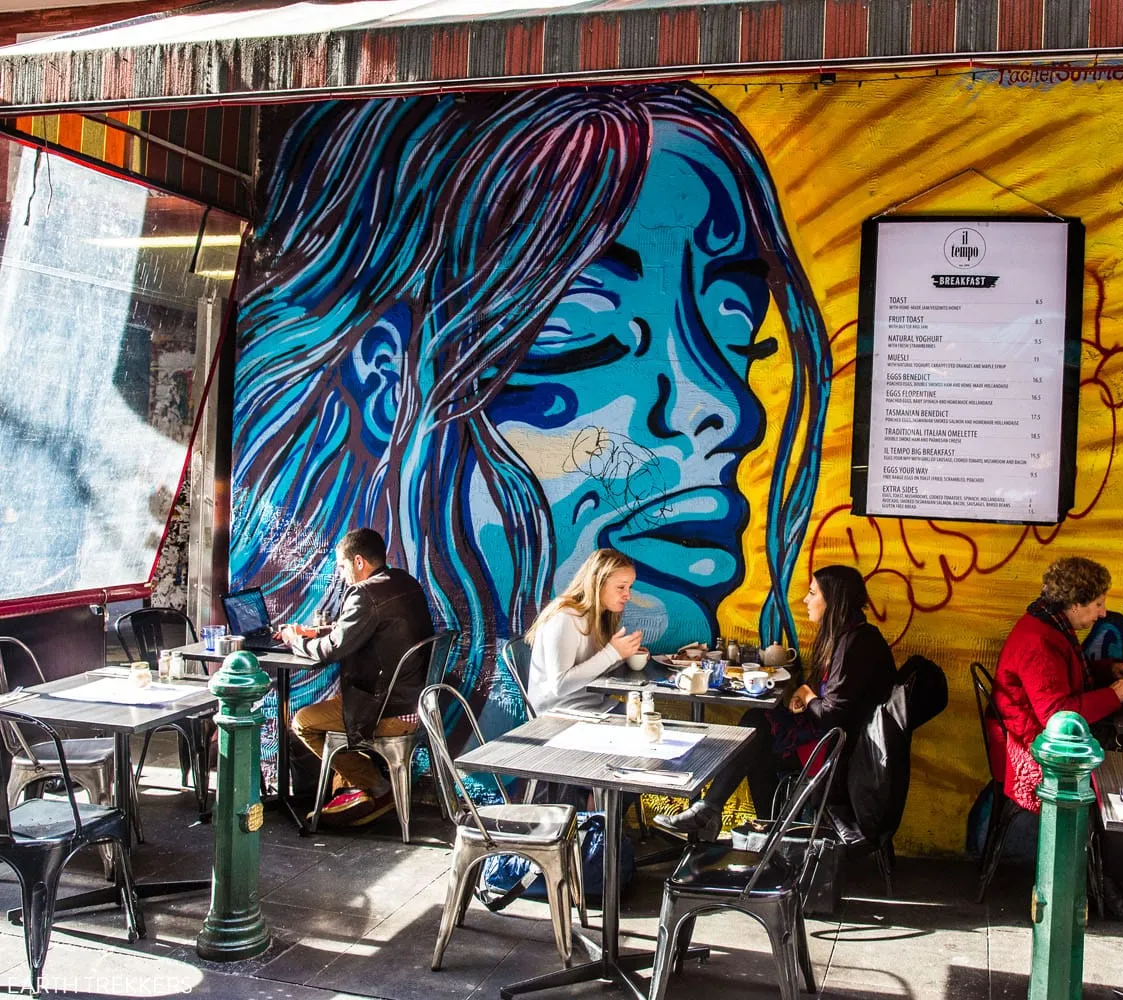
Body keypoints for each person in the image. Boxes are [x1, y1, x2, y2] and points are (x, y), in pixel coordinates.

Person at [230, 85, 832, 741]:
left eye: (734, 321)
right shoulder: (556, 627)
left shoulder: (554, 619)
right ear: (386, 386)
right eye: (583, 323)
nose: (724, 407)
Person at [654, 565, 897, 839]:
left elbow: (832, 714)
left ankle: (720, 816)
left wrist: (806, 694)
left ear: (834, 601)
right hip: (839, 742)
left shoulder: (855, 644)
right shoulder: (852, 636)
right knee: (756, 732)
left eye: (812, 593)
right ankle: (754, 831)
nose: (805, 599)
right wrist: (806, 695)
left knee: (755, 731)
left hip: (841, 754)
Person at [278, 528, 435, 828]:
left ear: (359, 561)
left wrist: (292, 639)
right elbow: (355, 630)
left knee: (303, 722)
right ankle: (353, 790)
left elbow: (331, 651)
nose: (340, 573)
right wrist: (316, 632)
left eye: (341, 565)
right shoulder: (404, 582)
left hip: (386, 710)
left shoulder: (364, 593)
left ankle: (374, 786)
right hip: (415, 703)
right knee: (332, 712)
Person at [992, 557, 1123, 812]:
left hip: (1037, 738)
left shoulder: (1050, 624)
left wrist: (1109, 670)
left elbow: (1060, 676)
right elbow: (1057, 717)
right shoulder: (1040, 641)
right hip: (1035, 752)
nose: (1103, 613)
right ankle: (1105, 844)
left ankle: (1104, 845)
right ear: (1074, 604)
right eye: (1098, 604)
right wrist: (1112, 696)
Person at [525, 548, 644, 716]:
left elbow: (593, 665)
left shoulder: (599, 615)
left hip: (594, 706)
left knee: (647, 718)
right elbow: (559, 686)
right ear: (597, 583)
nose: (628, 595)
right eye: (621, 587)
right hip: (559, 714)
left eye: (629, 587)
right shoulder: (564, 618)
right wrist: (613, 653)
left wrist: (625, 654)